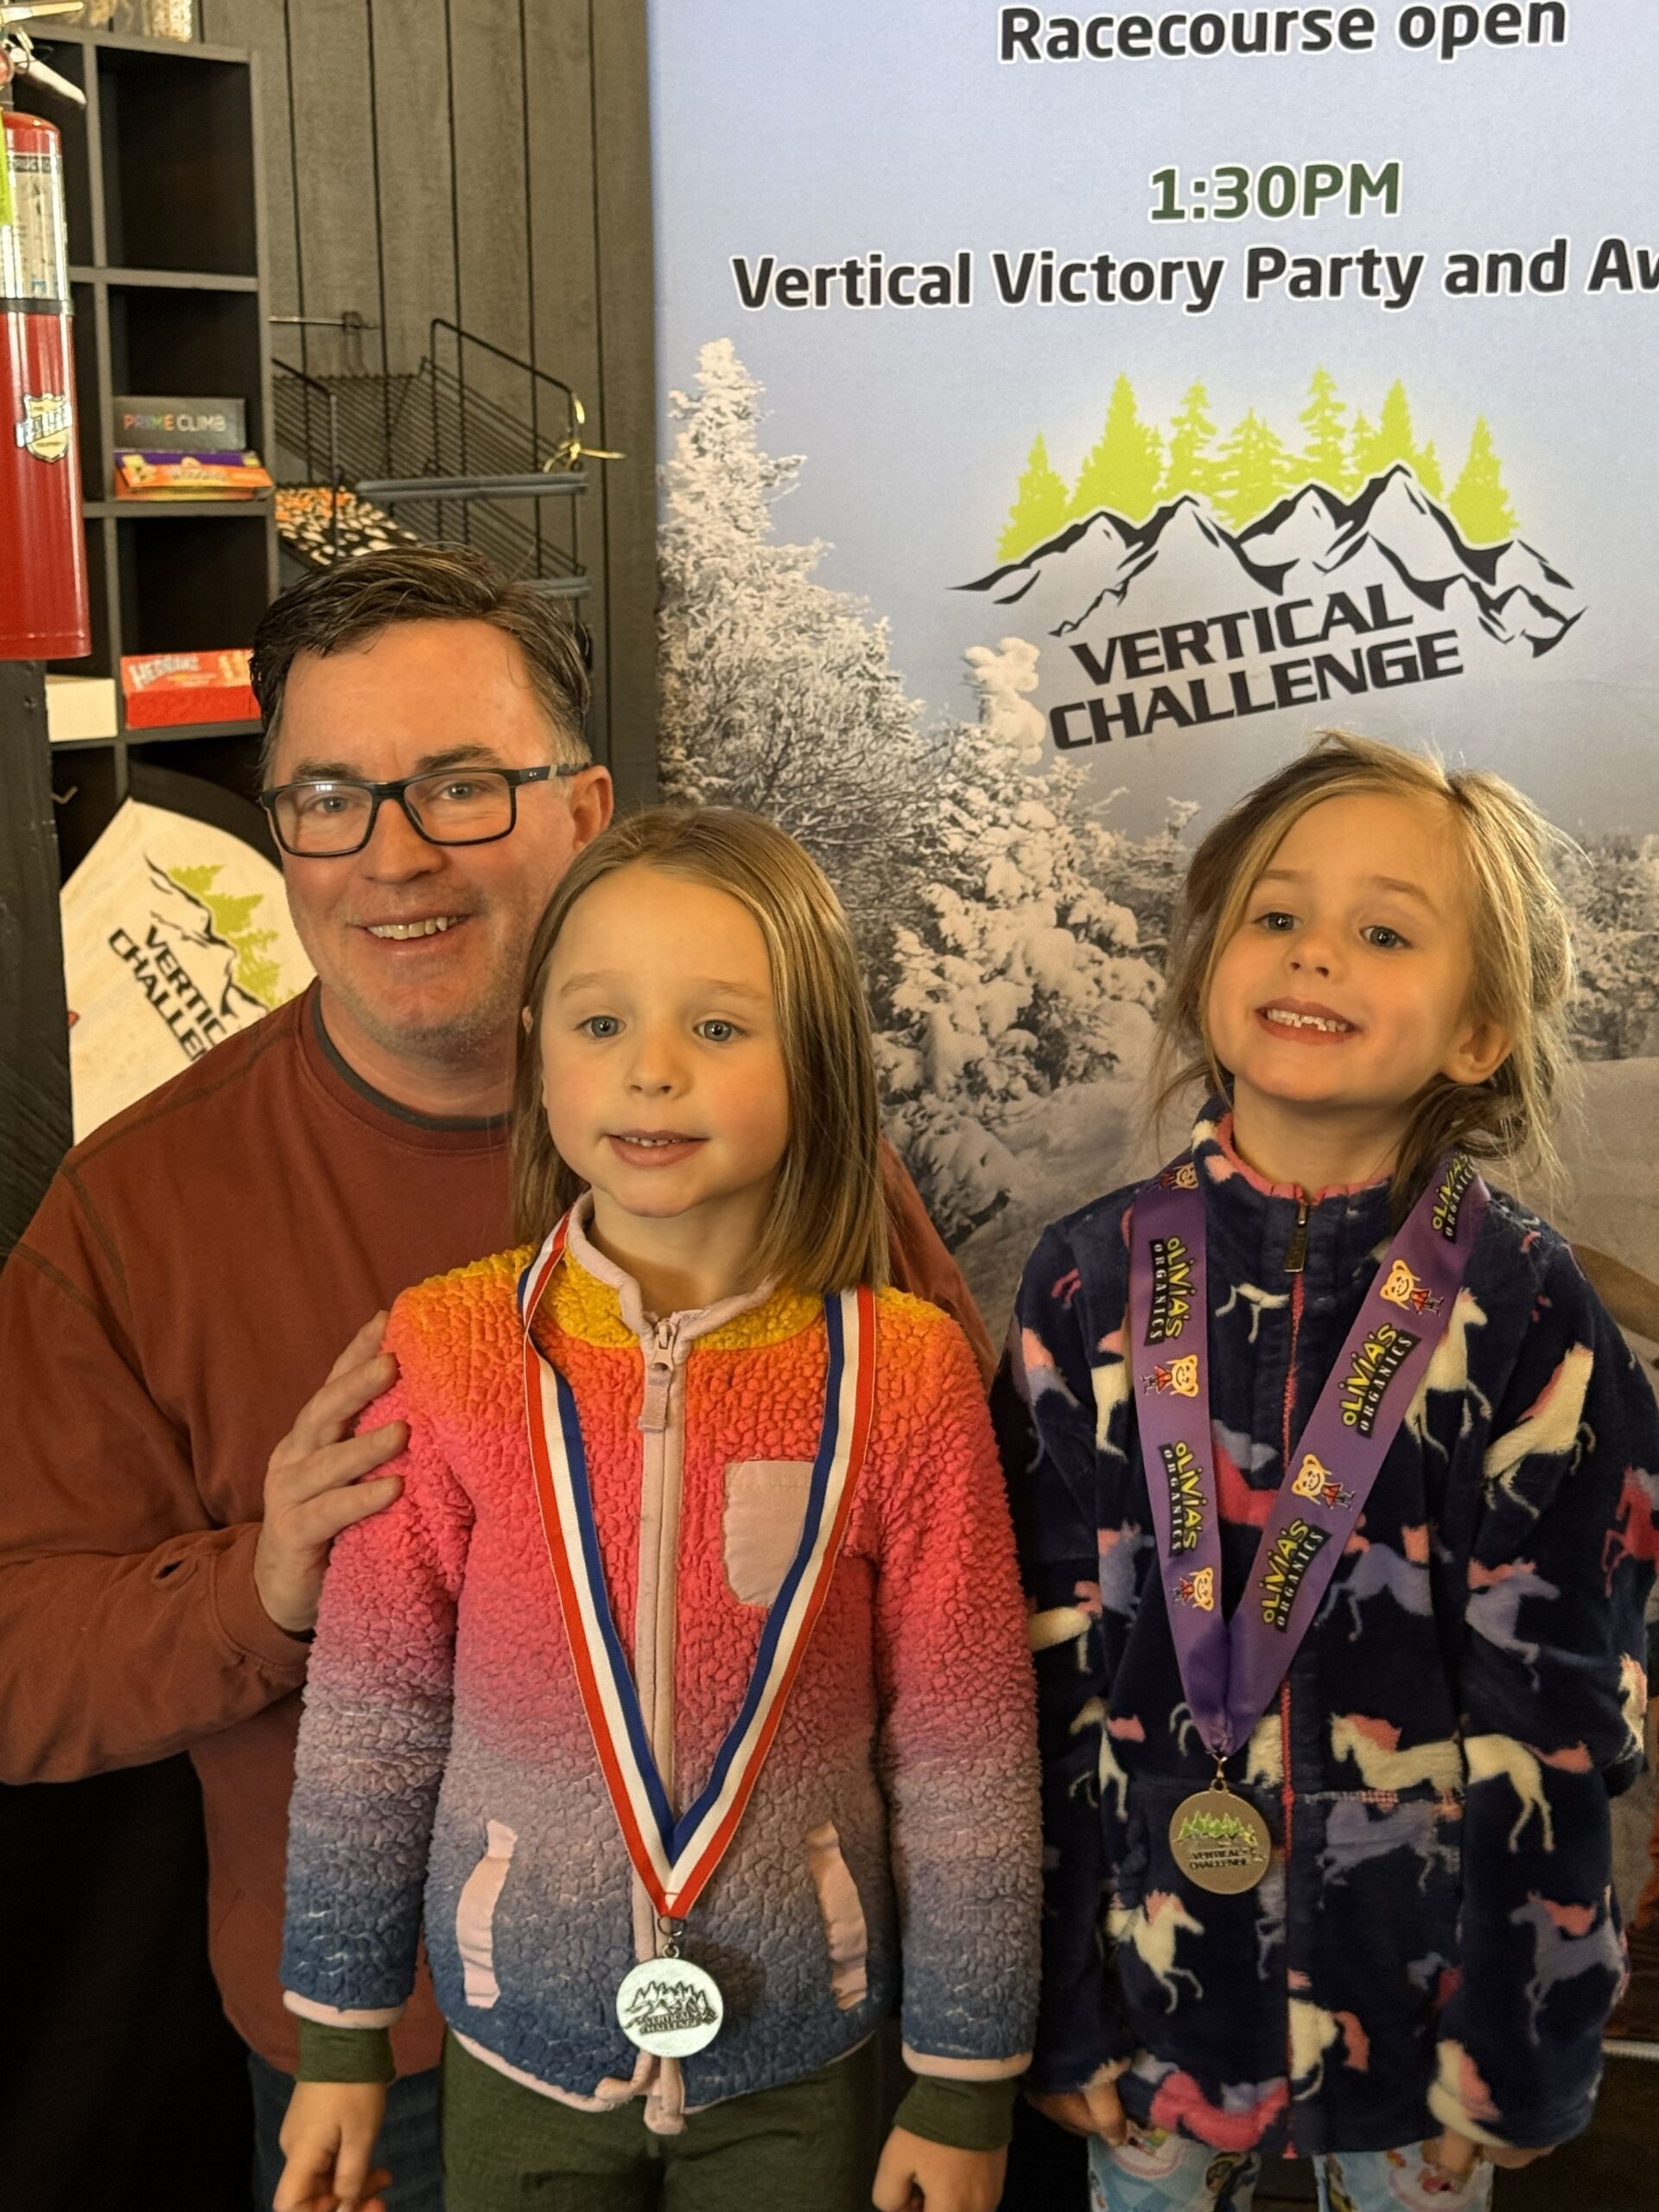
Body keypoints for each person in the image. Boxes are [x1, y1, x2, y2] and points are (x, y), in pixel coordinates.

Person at [0, 549, 995, 2211]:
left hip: (787, 2030)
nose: (393, 856)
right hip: (382, 2061)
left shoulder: (794, 1161)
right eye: (328, 799)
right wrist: (263, 1587)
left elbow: (971, 1587)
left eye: (461, 786)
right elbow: (19, 1665)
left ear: (586, 810)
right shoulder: (134, 1212)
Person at [271, 806, 1041, 2212]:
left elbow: (966, 1747)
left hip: (802, 2047)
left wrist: (964, 2082)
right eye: (601, 1022)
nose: (653, 1069)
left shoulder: (908, 1370)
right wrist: (342, 2036)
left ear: (818, 1064)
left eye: (720, 1027)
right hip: (519, 2038)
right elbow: (374, 1716)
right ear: (537, 1053)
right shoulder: (446, 1349)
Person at [995, 731, 1659, 2212]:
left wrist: (1524, 2047)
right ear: (1207, 969)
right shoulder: (1088, 1283)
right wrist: (1054, 2003)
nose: (1314, 955)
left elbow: (1566, 1700)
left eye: (1384, 933)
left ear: (1479, 1031)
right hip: (1152, 2010)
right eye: (1277, 914)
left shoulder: (1529, 1312)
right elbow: (1036, 1674)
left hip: (1424, 2042)